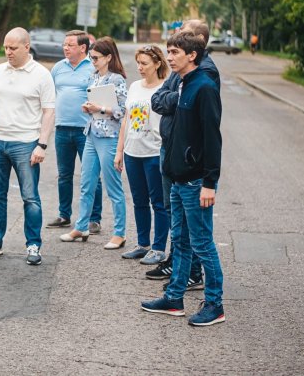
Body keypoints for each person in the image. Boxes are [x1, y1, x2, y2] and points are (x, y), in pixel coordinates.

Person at [141, 31, 225, 326]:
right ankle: (175, 298)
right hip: (177, 179)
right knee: (180, 240)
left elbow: (212, 139)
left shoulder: (204, 87)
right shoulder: (182, 83)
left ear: (192, 55)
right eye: (169, 51)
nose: (170, 57)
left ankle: (215, 305)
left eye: (175, 52)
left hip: (195, 182)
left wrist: (209, 183)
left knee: (202, 243)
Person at [0, 27, 55, 265]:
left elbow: (49, 112)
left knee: (30, 197)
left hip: (26, 144)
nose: (8, 52)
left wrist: (42, 145)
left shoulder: (41, 75)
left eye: (13, 48)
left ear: (27, 47)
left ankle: (33, 245)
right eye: (6, 48)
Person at [60, 37, 127, 250]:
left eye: (96, 58)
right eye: (91, 57)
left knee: (113, 187)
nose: (93, 61)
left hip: (109, 138)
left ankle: (119, 233)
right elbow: (94, 105)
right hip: (91, 133)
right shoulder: (93, 77)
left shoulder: (117, 80)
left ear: (108, 57)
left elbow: (124, 112)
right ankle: (81, 226)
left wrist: (101, 108)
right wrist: (88, 107)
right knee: (86, 183)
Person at [114, 45, 170, 265]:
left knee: (158, 202)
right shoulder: (135, 86)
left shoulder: (166, 87)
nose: (140, 67)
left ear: (157, 63)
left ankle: (158, 249)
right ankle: (143, 244)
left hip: (154, 152)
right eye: (138, 62)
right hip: (132, 152)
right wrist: (119, 151)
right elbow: (126, 120)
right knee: (139, 201)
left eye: (145, 63)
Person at [46, 30, 103, 234]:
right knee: (64, 175)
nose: (65, 48)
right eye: (65, 44)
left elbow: (100, 96)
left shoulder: (93, 68)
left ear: (83, 47)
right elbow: (50, 96)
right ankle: (64, 215)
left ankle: (94, 219)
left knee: (91, 175)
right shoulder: (58, 68)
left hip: (85, 130)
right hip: (62, 129)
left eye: (70, 44)